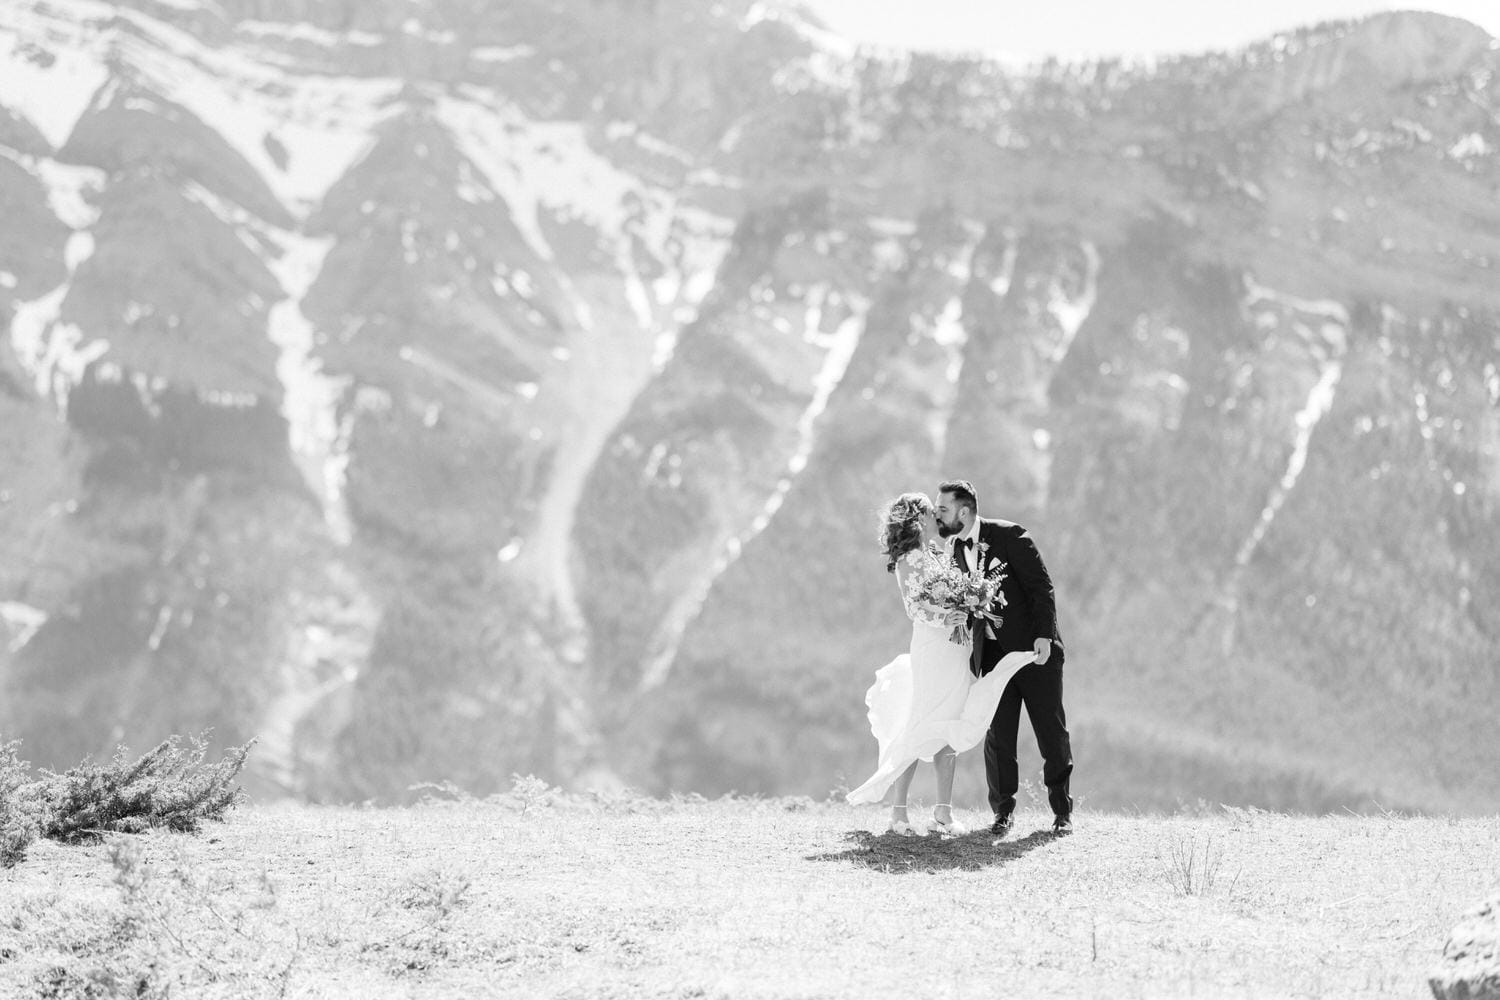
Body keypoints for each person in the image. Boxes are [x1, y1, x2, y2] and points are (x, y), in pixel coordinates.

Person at [846, 492, 1035, 835]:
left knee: (950, 723)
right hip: (933, 647)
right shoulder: (908, 560)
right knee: (920, 723)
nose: (939, 517)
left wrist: (970, 604)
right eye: (933, 512)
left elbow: (950, 591)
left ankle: (943, 813)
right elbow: (915, 609)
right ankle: (898, 815)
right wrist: (952, 613)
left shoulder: (938, 553)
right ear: (920, 520)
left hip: (955, 648)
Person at [933, 479, 1073, 837]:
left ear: (964, 511)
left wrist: (1044, 636)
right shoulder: (951, 550)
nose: (938, 514)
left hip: (1033, 653)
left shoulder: (1010, 536)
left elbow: (1042, 587)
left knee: (1050, 731)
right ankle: (1003, 813)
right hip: (992, 658)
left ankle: (1061, 812)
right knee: (999, 738)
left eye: (943, 508)